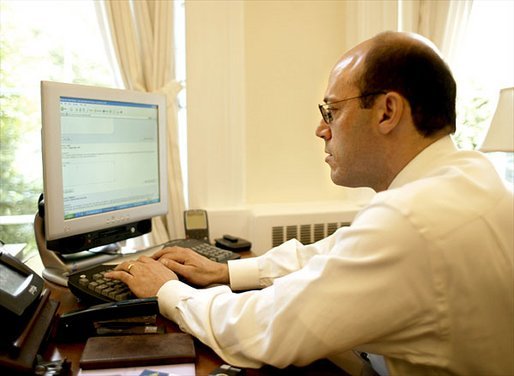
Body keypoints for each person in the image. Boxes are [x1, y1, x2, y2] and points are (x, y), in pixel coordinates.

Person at [106, 31, 514, 375]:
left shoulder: (411, 220)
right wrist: (224, 271)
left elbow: (263, 330)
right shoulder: (470, 175)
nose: (321, 130)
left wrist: (169, 292)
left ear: (387, 112)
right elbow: (338, 251)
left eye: (331, 111)